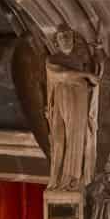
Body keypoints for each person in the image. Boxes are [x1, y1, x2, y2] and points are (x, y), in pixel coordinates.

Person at [43, 29, 101, 190]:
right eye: (61, 37)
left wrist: (98, 54)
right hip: (62, 98)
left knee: (76, 136)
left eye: (68, 36)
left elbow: (96, 77)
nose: (65, 39)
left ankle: (72, 179)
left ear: (74, 40)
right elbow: (60, 74)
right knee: (59, 140)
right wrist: (86, 75)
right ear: (56, 42)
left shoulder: (79, 60)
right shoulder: (53, 59)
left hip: (80, 97)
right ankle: (57, 180)